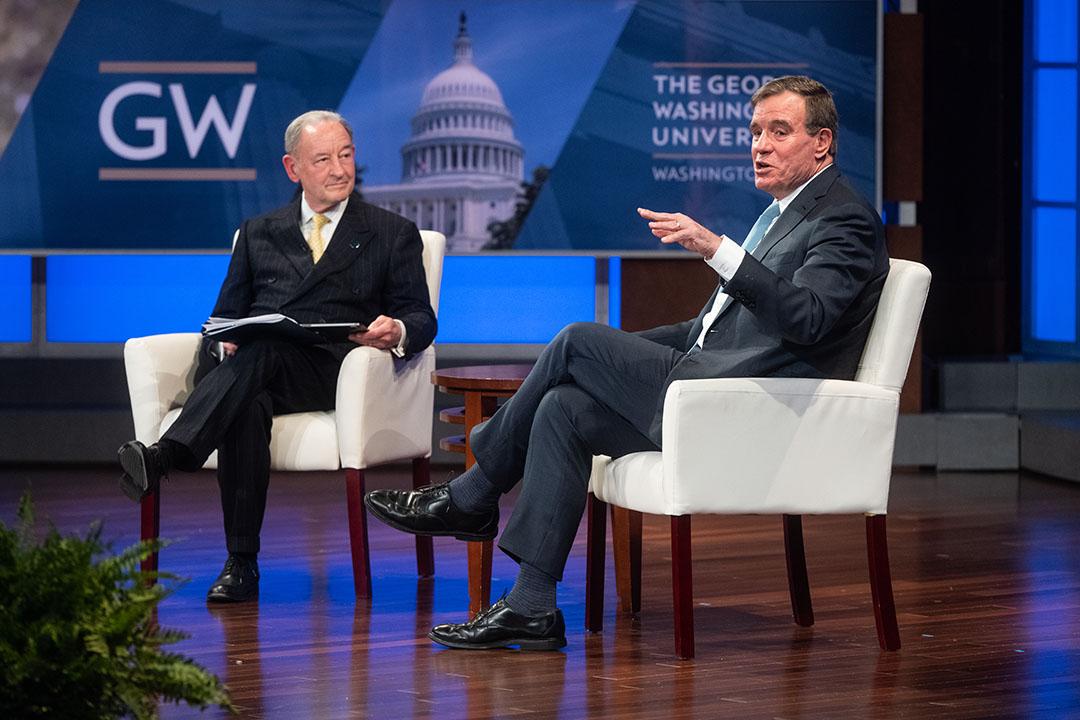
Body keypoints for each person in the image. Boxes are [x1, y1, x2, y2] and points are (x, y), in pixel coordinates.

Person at [365, 76, 889, 650]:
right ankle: (531, 606)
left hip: (749, 411)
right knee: (564, 405)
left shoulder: (845, 218)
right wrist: (617, 356)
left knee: (574, 340)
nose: (760, 145)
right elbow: (704, 331)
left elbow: (810, 318)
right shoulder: (783, 214)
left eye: (779, 131)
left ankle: (472, 493)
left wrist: (718, 251)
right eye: (756, 131)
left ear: (822, 143)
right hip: (707, 393)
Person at [117, 110, 437, 602]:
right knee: (250, 391)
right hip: (259, 371)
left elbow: (422, 317)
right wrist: (221, 342)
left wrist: (395, 329)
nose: (339, 170)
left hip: (337, 371)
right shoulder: (258, 232)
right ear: (294, 169)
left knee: (262, 355)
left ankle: (167, 454)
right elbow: (222, 318)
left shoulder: (391, 232)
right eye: (324, 159)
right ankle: (241, 563)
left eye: (346, 156)